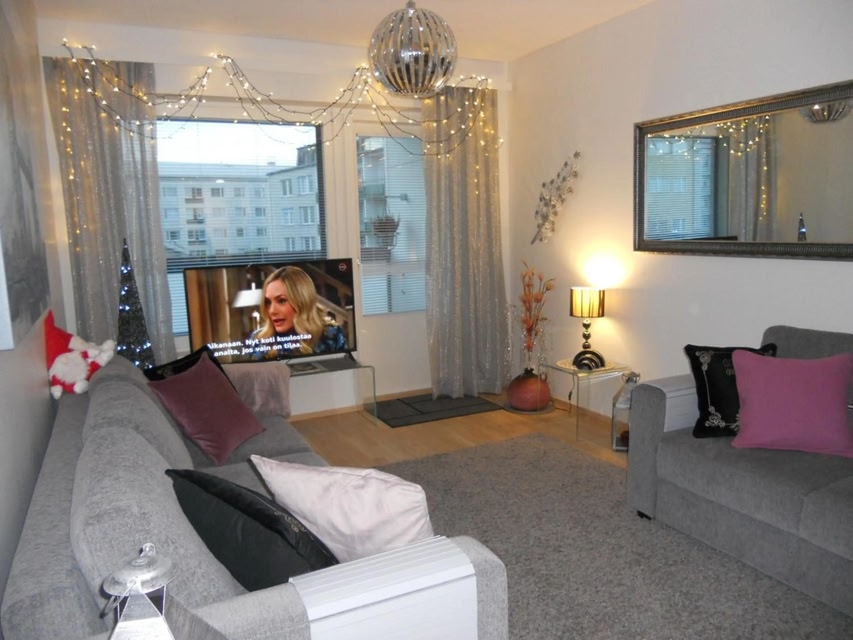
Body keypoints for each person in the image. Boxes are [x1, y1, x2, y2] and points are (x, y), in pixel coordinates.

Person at [250, 265, 347, 359]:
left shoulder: (330, 333)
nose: (272, 311)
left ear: (302, 301)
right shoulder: (258, 340)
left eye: (281, 301)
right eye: (268, 302)